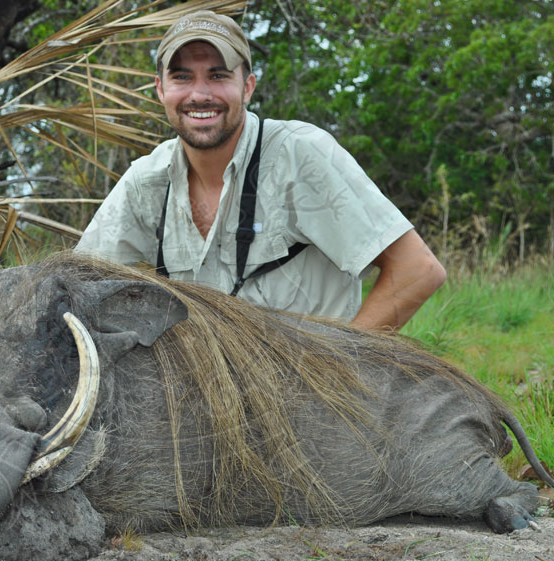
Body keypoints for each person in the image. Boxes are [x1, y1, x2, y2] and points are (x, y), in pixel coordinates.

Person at [75, 10, 446, 331]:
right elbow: (76, 285)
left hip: (308, 393)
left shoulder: (300, 155)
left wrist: (341, 371)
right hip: (201, 396)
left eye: (218, 76)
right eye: (182, 77)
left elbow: (417, 270)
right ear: (160, 89)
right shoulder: (147, 181)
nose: (200, 94)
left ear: (248, 87)